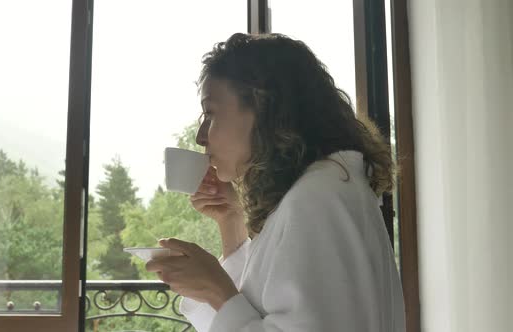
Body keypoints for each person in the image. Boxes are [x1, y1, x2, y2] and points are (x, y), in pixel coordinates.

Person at [145, 33, 406, 332]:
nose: (200, 136)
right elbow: (267, 313)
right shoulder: (323, 189)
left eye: (211, 113)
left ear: (264, 108)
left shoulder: (319, 197)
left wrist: (216, 288)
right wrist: (231, 224)